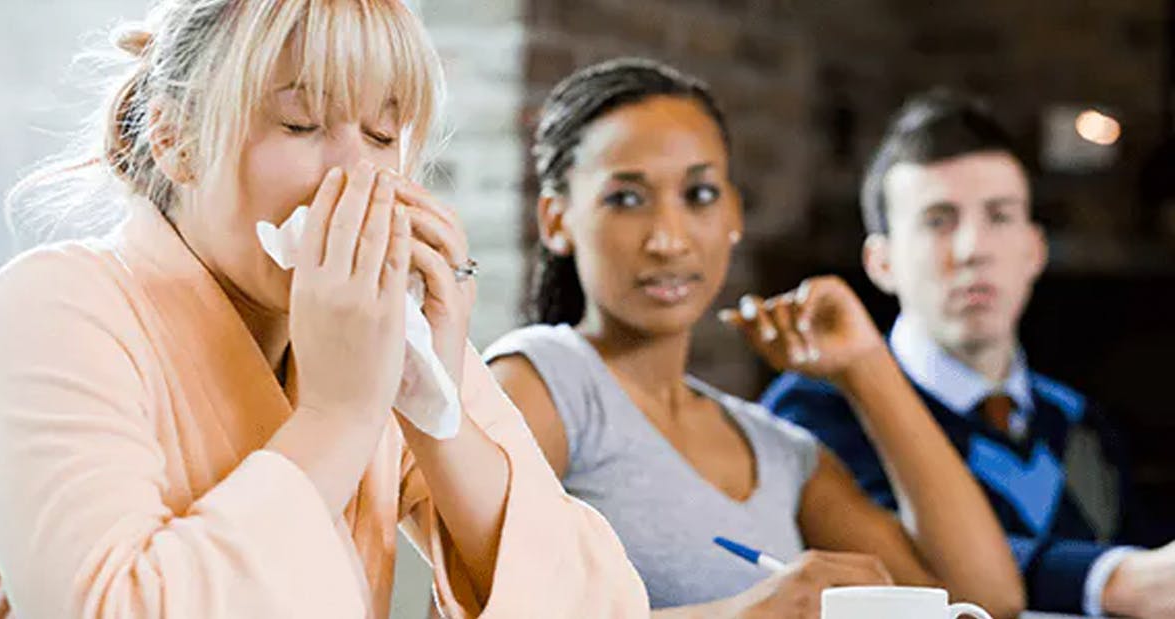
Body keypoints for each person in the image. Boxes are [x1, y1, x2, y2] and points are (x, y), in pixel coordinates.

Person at [0, 2, 649, 617]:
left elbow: (600, 603)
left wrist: (435, 396)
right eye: (301, 124)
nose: (355, 176)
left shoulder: (371, 333)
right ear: (173, 139)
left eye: (380, 136)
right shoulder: (50, 311)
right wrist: (338, 416)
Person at [485, 58, 1025, 619]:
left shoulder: (778, 450)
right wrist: (746, 615)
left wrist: (866, 366)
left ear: (733, 214)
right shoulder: (542, 380)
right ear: (556, 221)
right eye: (626, 198)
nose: (669, 240)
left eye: (698, 195)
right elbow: (469, 609)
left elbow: (985, 600)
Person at [763, 90, 1175, 618]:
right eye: (938, 220)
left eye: (999, 217)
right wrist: (1109, 577)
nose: (971, 250)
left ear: (1034, 249)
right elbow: (912, 570)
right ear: (881, 261)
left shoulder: (1077, 420)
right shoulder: (815, 412)